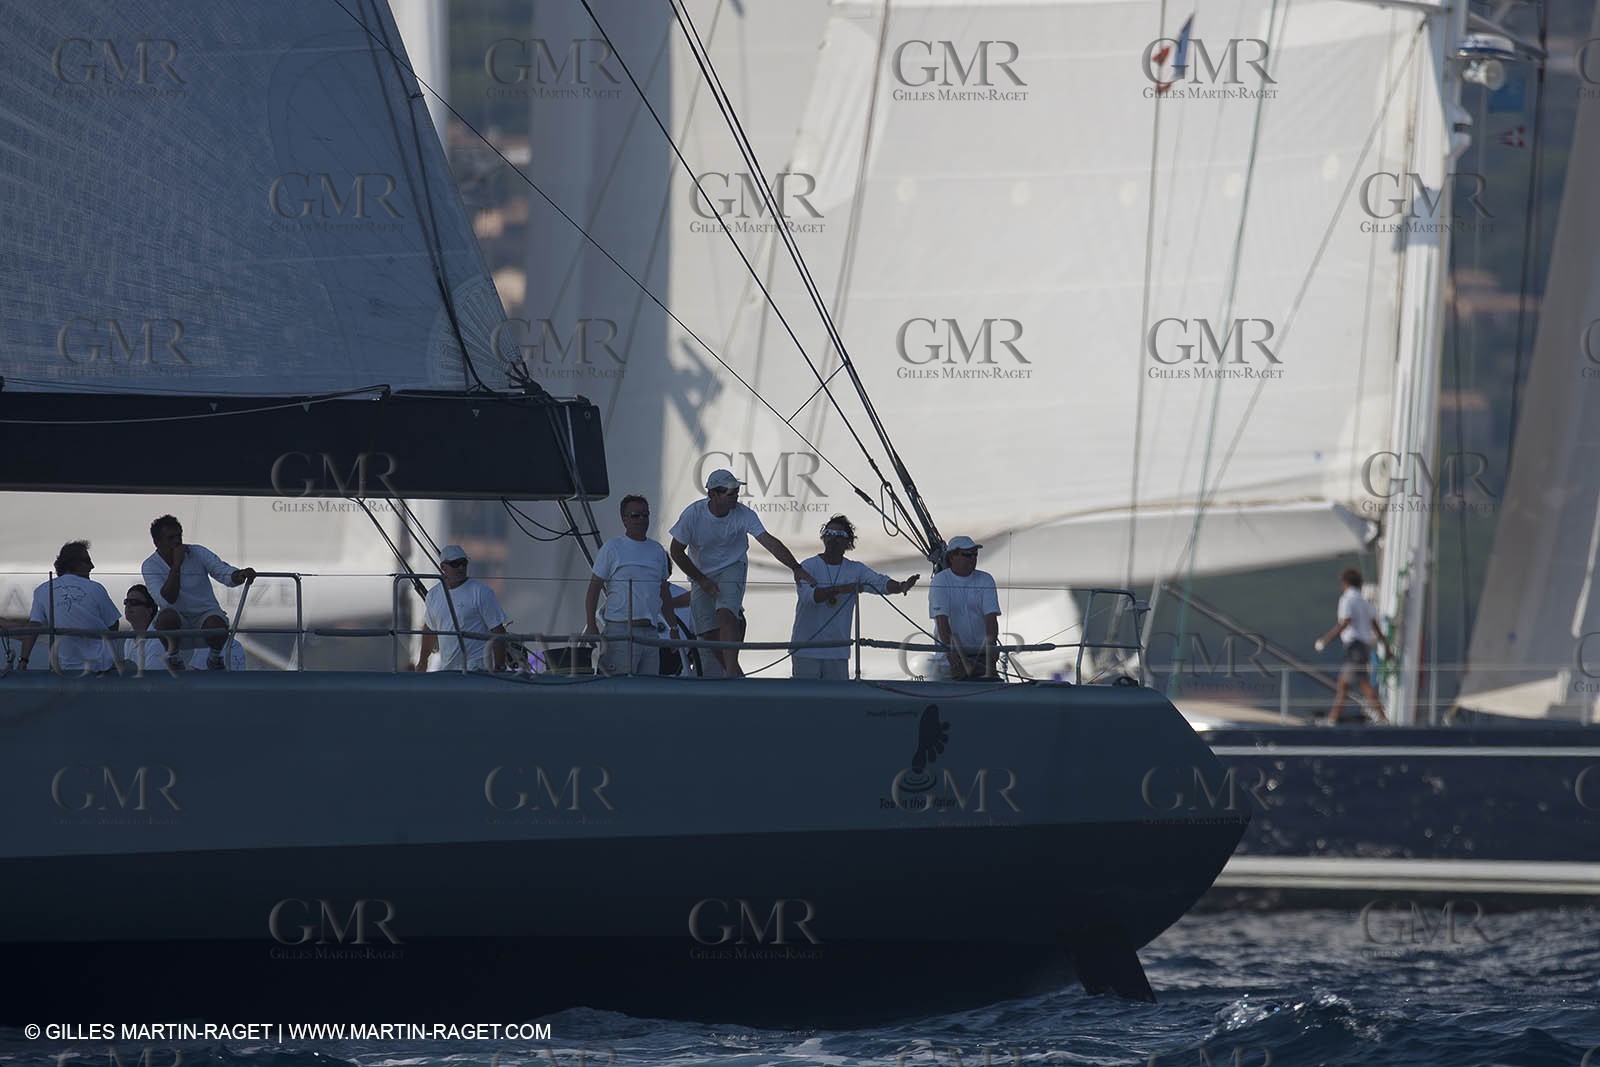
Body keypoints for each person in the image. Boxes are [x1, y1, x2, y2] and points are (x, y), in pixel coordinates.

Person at [669, 468, 815, 677]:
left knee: (726, 615)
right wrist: (701, 580)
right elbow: (676, 551)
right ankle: (737, 674)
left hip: (732, 567)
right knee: (707, 634)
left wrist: (796, 567)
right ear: (712, 494)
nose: (735, 496)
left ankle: (730, 673)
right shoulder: (692, 515)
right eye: (729, 492)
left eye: (736, 491)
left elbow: (768, 541)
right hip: (700, 572)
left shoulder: (743, 514)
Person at [790, 515, 920, 680]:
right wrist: (843, 589)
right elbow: (810, 598)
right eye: (829, 533)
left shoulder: (855, 569)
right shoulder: (808, 566)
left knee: (836, 701)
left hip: (837, 651)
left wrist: (901, 587)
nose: (833, 538)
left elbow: (880, 583)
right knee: (806, 701)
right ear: (823, 537)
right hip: (806, 649)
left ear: (848, 542)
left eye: (840, 535)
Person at [142, 514, 256, 671]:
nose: (177, 542)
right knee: (166, 617)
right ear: (157, 542)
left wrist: (239, 575)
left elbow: (222, 571)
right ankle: (174, 658)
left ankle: (214, 657)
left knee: (217, 623)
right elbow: (166, 600)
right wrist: (177, 565)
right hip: (177, 619)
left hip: (205, 615)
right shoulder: (149, 566)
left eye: (178, 536)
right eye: (170, 538)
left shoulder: (197, 552)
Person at [584, 495, 673, 677]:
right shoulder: (612, 548)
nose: (642, 519)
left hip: (651, 632)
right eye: (635, 515)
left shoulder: (657, 550)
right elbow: (593, 589)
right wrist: (591, 625)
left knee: (649, 690)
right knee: (618, 688)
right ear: (624, 520)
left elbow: (664, 593)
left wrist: (674, 628)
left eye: (645, 515)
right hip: (619, 631)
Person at [19, 541, 120, 674]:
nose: (92, 566)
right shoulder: (96, 588)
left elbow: (33, 627)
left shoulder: (42, 590)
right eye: (87, 561)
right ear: (73, 564)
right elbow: (113, 625)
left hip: (64, 670)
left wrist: (23, 661)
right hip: (101, 668)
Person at [1315, 567, 1392, 724]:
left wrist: (1326, 639)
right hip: (1363, 646)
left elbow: (1346, 621)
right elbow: (1375, 626)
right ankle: (1332, 719)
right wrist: (1387, 647)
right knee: (1343, 684)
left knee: (1362, 683)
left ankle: (1383, 719)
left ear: (1345, 583)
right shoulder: (1365, 602)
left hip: (1354, 646)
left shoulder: (1347, 600)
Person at [416, 546, 510, 672]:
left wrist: (500, 667)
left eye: (463, 563)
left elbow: (498, 631)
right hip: (448, 670)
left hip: (478, 669)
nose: (461, 568)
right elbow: (430, 630)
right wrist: (422, 662)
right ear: (443, 567)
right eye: (455, 564)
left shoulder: (481, 592)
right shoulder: (433, 595)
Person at [928, 536, 1001, 681]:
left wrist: (992, 646)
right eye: (967, 555)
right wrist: (951, 650)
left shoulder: (986, 579)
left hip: (981, 656)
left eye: (975, 554)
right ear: (952, 557)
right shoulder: (940, 581)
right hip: (952, 658)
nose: (972, 558)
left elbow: (991, 618)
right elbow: (942, 620)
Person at [120, 583, 168, 673]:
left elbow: (153, 678)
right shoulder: (129, 638)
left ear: (149, 609)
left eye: (134, 602)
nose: (128, 606)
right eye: (126, 602)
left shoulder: (156, 640)